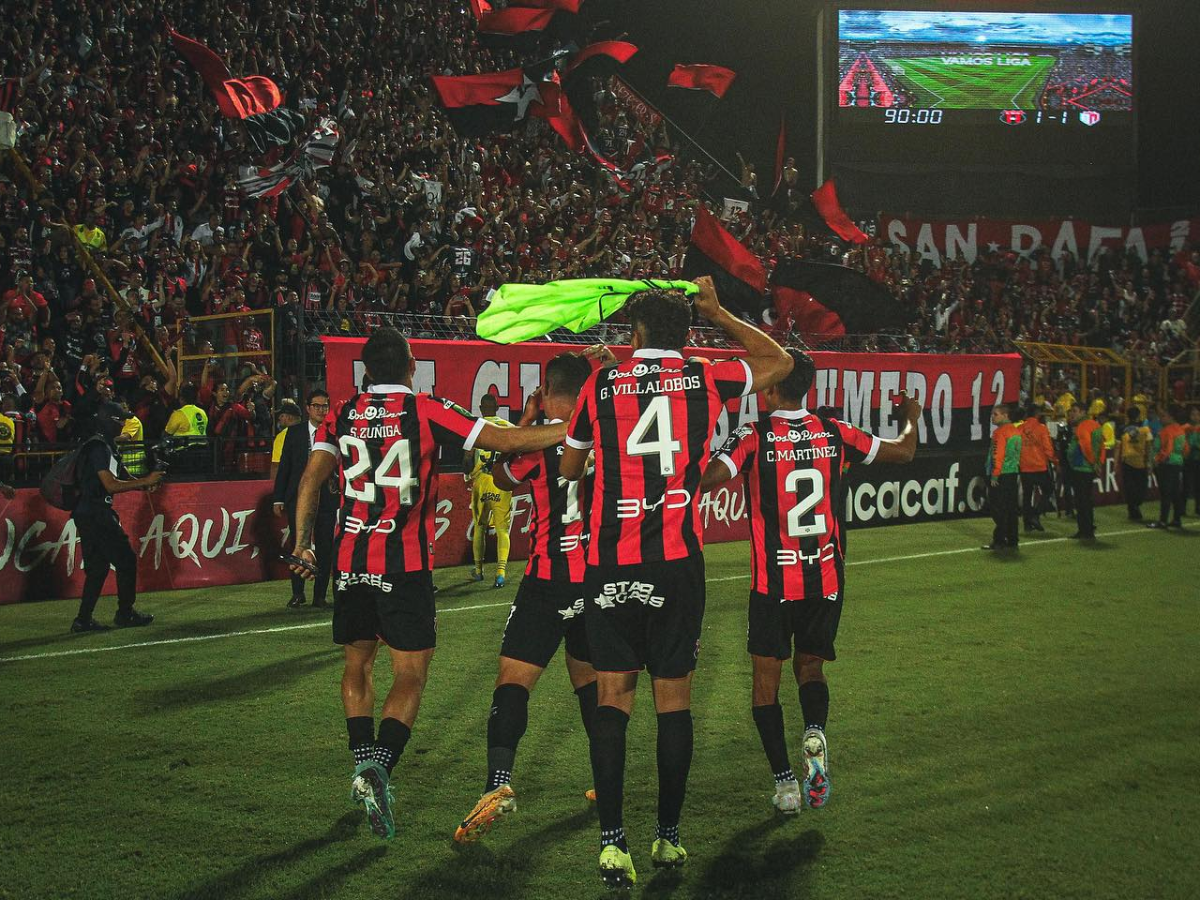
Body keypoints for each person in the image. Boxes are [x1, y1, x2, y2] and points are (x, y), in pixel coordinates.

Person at [288, 328, 567, 841]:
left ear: (366, 370)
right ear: (412, 366)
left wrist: (303, 543)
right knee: (410, 674)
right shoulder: (425, 409)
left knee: (357, 664)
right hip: (404, 565)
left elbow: (310, 478)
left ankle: (362, 759)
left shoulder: (341, 413)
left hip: (350, 563)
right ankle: (379, 766)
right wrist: (574, 426)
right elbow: (502, 441)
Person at [559, 276, 792, 888]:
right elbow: (780, 363)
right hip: (676, 562)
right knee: (674, 700)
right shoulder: (706, 375)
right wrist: (722, 314)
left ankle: (613, 843)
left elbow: (570, 466)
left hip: (611, 561)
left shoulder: (602, 384)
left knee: (613, 697)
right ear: (686, 334)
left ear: (634, 334)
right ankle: (667, 836)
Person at [700, 349, 920, 815]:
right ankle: (814, 732)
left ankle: (785, 786)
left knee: (765, 685)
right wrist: (911, 417)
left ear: (772, 386)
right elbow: (904, 451)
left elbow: (706, 478)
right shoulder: (834, 431)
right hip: (825, 579)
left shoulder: (754, 436)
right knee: (811, 669)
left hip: (773, 584)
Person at [454, 354, 599, 843]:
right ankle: (607, 779)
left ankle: (498, 783)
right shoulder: (609, 437)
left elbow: (500, 477)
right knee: (591, 684)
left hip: (547, 580)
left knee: (513, 681)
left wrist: (526, 421)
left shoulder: (538, 447)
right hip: (597, 580)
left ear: (548, 392)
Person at [70, 402, 162, 633]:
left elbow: (120, 476)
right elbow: (110, 484)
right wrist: (145, 481)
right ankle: (125, 613)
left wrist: (144, 483)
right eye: (120, 420)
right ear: (109, 421)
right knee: (126, 560)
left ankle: (83, 620)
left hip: (87, 512)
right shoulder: (99, 447)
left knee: (98, 568)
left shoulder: (104, 446)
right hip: (96, 512)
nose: (123, 424)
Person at [274, 390, 337, 609]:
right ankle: (297, 593)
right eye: (317, 406)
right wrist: (278, 498)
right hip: (298, 499)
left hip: (327, 499)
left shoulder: (334, 432)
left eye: (325, 406)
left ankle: (319, 596)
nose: (322, 410)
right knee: (299, 544)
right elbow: (285, 467)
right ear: (308, 408)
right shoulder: (294, 433)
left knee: (325, 547)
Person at [464, 393, 515, 588]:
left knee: (480, 527)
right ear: (497, 408)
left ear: (480, 408)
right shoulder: (508, 427)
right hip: (501, 481)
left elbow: (467, 462)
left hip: (482, 481)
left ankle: (478, 571)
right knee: (502, 529)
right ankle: (500, 573)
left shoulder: (474, 428)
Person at [983, 404, 1022, 551]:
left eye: (996, 414)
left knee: (998, 509)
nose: (992, 417)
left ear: (1005, 415)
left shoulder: (1000, 433)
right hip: (1012, 473)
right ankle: (1013, 539)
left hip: (1001, 475)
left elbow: (997, 455)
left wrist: (995, 474)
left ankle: (999, 539)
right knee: (1011, 508)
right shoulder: (1015, 431)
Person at [1066, 403, 1104, 540]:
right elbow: (1102, 446)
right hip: (1087, 468)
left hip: (1082, 467)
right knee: (1086, 500)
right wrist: (1099, 463)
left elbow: (1086, 446)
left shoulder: (1083, 426)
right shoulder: (1096, 425)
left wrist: (1093, 462)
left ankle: (1086, 531)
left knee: (1082, 501)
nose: (1072, 414)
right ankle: (1086, 529)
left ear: (1083, 412)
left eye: (1075, 411)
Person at [1147, 405, 1187, 530]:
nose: (1160, 418)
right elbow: (1186, 448)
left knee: (1165, 493)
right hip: (1177, 463)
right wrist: (1179, 458)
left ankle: (1163, 521)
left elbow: (1166, 449)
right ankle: (1177, 519)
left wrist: (1157, 460)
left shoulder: (1166, 431)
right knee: (1175, 492)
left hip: (1167, 464)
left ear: (1171, 417)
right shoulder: (1180, 429)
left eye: (1163, 416)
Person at [1019, 404, 1056, 531]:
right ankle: (1036, 514)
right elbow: (1048, 448)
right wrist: (1054, 460)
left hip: (1025, 467)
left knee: (1027, 495)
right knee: (1048, 489)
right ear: (1037, 414)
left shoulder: (1020, 428)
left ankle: (1027, 524)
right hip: (1039, 466)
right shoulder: (1041, 428)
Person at [1118, 406, 1152, 521]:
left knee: (1130, 488)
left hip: (1127, 461)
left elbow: (1118, 446)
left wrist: (1116, 462)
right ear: (1139, 416)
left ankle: (1132, 508)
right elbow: (1149, 446)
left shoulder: (1122, 429)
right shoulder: (1145, 430)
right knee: (1141, 488)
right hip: (1140, 462)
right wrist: (1149, 462)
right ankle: (1134, 507)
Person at [270, 400, 303, 479]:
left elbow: (276, 465)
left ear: (289, 417)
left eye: (282, 416)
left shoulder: (282, 436)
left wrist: (273, 484)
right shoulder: (309, 432)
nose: (279, 418)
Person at [1185, 407, 1200, 516]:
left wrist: (1195, 445)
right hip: (1187, 460)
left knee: (1198, 485)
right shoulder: (1185, 428)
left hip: (1198, 459)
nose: (1195, 417)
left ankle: (1198, 508)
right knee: (1185, 484)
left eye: (1197, 414)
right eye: (1193, 414)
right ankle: (1181, 509)